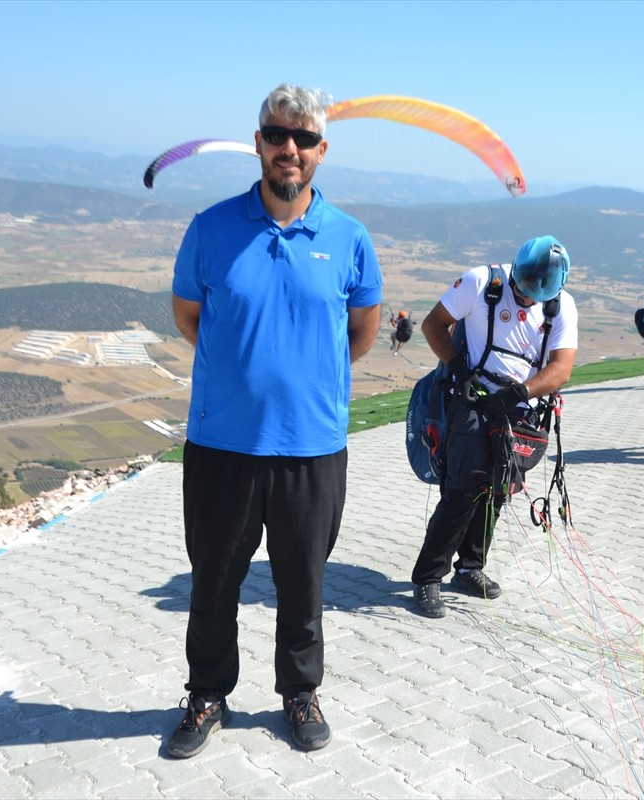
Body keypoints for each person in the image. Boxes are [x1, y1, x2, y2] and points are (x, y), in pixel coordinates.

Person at [167, 83, 383, 757]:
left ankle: (299, 692)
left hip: (312, 447)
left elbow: (362, 332)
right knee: (213, 582)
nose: (290, 148)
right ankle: (206, 696)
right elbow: (189, 318)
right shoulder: (211, 228)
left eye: (304, 138)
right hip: (222, 445)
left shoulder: (349, 238)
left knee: (302, 582)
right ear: (258, 142)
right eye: (277, 135)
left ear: (321, 151)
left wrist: (306, 383)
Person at [411, 236, 579, 619]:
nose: (524, 299)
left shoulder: (560, 306)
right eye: (520, 289)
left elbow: (561, 369)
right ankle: (427, 577)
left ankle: (470, 567)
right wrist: (457, 367)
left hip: (519, 409)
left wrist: (519, 393)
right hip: (471, 398)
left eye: (532, 296)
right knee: (462, 490)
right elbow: (434, 325)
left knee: (498, 490)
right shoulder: (480, 283)